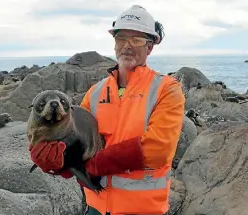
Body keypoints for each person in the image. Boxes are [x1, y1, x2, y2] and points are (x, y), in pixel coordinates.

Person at [29, 5, 185, 215]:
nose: (127, 46)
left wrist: (95, 165)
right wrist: (57, 163)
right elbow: (74, 138)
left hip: (142, 209)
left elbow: (159, 149)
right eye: (121, 38)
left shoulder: (167, 90)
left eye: (137, 39)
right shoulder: (95, 92)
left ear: (150, 47)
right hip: (96, 206)